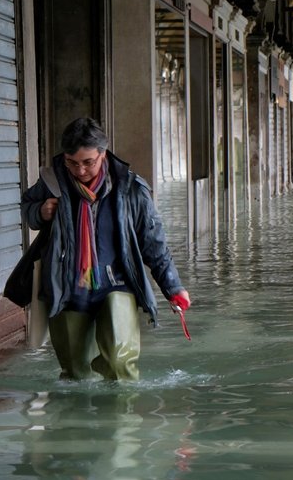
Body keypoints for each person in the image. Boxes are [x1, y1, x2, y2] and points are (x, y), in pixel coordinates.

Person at [21, 117, 191, 380]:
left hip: (117, 284)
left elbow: (153, 242)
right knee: (75, 374)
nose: (80, 171)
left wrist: (173, 287)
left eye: (88, 162)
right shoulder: (52, 182)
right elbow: (27, 207)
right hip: (68, 287)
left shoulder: (130, 188)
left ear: (103, 153)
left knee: (120, 365)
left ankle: (120, 419)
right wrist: (40, 212)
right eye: (72, 163)